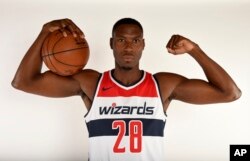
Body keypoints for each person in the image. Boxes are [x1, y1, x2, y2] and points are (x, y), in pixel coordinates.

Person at [12, 18, 241, 161]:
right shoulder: (91, 83)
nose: (128, 47)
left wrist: (195, 49)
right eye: (121, 40)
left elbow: (230, 93)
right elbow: (23, 82)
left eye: (135, 40)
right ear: (111, 44)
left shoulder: (163, 85)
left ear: (143, 44)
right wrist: (44, 33)